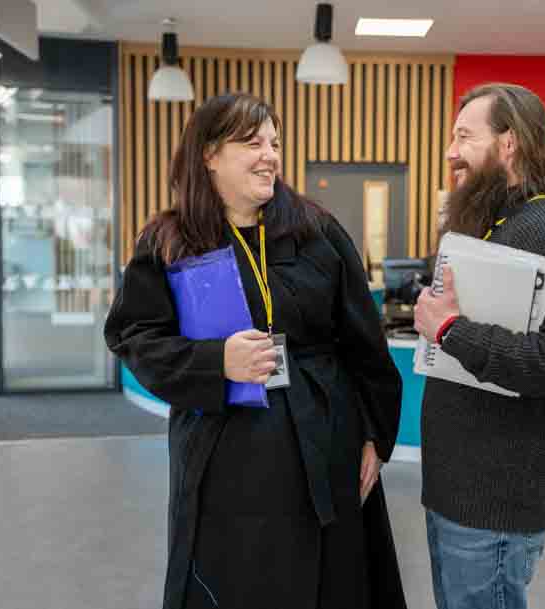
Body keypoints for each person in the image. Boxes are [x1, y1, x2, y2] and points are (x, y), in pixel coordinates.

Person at [104, 93, 406, 609]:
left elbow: (365, 346)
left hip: (322, 441)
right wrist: (215, 361)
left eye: (275, 142)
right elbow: (135, 337)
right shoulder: (171, 241)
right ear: (209, 154)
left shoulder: (317, 232)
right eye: (252, 142)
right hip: (226, 452)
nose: (270, 154)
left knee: (330, 581)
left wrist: (374, 436)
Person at [414, 83, 545, 609]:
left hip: (493, 509)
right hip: (458, 494)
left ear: (509, 143)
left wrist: (450, 330)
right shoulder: (495, 226)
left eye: (465, 137)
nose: (451, 152)